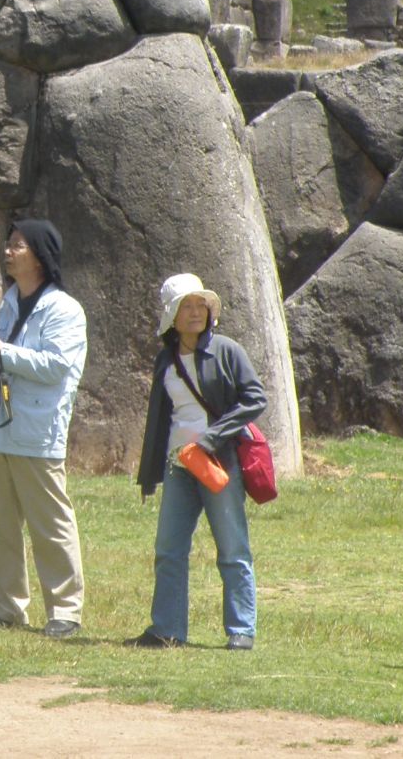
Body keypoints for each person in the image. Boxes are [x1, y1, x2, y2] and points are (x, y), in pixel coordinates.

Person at [127, 272, 266, 651]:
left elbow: (255, 399)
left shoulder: (227, 350)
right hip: (178, 467)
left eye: (200, 305)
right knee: (169, 550)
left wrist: (211, 438)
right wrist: (149, 475)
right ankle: (166, 630)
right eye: (186, 306)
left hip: (218, 465)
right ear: (172, 314)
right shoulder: (165, 360)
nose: (195, 313)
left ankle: (241, 631)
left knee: (233, 548)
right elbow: (159, 421)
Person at [0, 219, 88, 638]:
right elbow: (12, 359)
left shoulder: (65, 309)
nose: (8, 250)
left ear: (38, 255)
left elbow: (55, 367)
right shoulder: (11, 300)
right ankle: (7, 610)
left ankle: (65, 612)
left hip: (38, 432)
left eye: (17, 245)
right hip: (1, 426)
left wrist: (1, 348)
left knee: (50, 525)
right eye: (10, 244)